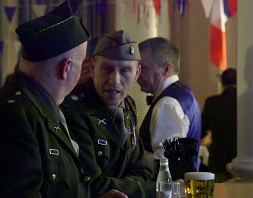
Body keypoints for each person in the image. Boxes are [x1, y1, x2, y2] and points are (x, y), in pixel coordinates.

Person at [0, 0, 126, 198]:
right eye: (81, 65)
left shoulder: (40, 106)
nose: (83, 72)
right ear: (67, 67)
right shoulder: (15, 116)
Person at [61, 30, 155, 197]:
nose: (114, 80)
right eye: (107, 69)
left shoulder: (128, 105)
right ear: (92, 68)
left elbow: (143, 167)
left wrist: (124, 187)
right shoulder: (75, 110)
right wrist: (151, 190)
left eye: (125, 71)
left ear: (137, 73)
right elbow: (93, 184)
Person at [137, 37, 201, 178]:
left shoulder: (167, 104)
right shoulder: (183, 93)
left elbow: (166, 167)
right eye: (137, 67)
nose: (137, 75)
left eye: (143, 68)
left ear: (166, 69)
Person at [202, 68, 237, 182]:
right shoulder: (245, 101)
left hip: (218, 161)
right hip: (241, 160)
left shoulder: (212, 102)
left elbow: (201, 129)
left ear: (222, 82)